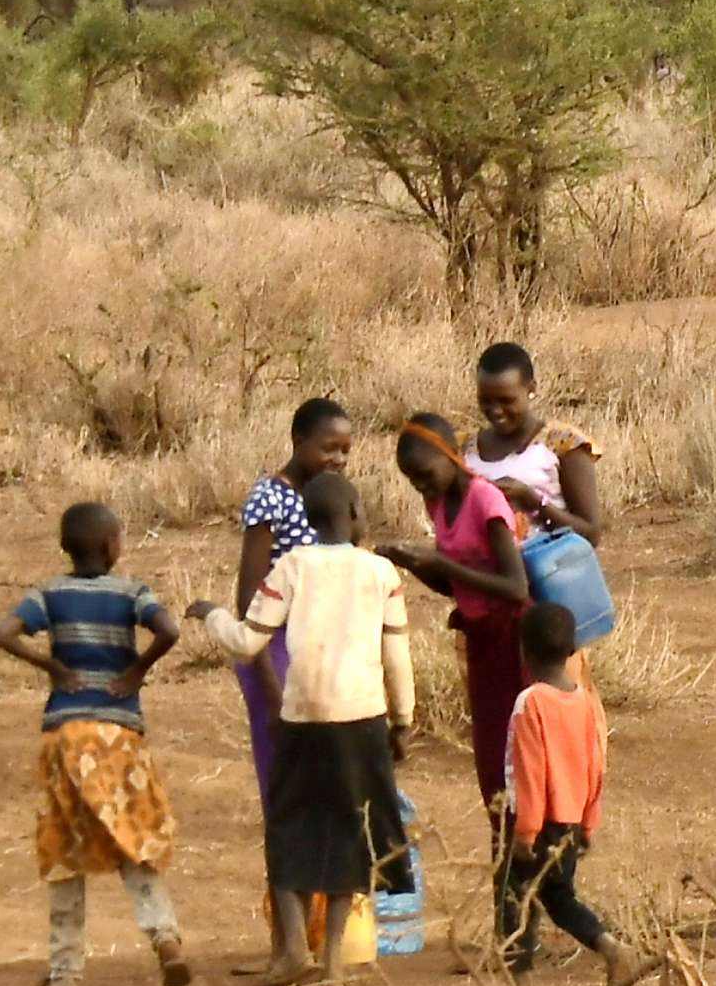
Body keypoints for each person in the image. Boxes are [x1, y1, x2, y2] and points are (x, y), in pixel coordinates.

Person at [191, 472, 413, 986]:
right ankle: (333, 962)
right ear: (356, 512)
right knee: (351, 837)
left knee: (289, 833)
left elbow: (249, 642)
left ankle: (293, 949)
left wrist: (213, 616)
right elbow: (396, 655)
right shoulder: (381, 573)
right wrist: (403, 721)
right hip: (361, 720)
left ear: (310, 521)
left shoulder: (291, 567)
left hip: (303, 720)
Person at [0, 502, 188, 986]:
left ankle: (65, 970)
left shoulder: (50, 594)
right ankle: (164, 937)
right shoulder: (131, 593)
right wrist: (137, 671)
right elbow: (170, 630)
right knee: (133, 837)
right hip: (118, 736)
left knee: (62, 849)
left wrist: (52, 669)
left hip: (65, 733)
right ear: (111, 546)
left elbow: (3, 634)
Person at [381, 414, 531, 818]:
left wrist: (439, 563)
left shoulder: (484, 499)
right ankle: (505, 845)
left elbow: (516, 587)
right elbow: (457, 589)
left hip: (512, 637)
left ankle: (525, 843)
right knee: (489, 752)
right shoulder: (440, 503)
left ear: (452, 456)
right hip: (480, 637)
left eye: (426, 475)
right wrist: (413, 564)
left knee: (514, 750)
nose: (422, 487)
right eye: (413, 481)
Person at [501, 602, 655, 986]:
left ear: (524, 651)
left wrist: (525, 833)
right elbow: (594, 766)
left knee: (514, 899)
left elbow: (530, 774)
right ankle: (609, 946)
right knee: (560, 899)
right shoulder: (584, 703)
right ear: (573, 651)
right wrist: (589, 822)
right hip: (570, 822)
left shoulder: (530, 703)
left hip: (538, 825)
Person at [231, 397, 355, 802]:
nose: (338, 458)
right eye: (328, 448)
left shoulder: (334, 498)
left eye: (345, 451)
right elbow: (249, 596)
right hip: (275, 644)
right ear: (298, 441)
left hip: (319, 644)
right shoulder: (271, 498)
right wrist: (267, 676)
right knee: (283, 769)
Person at [466, 342, 606, 545]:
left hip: (550, 572)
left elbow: (591, 534)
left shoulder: (563, 443)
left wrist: (533, 500)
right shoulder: (466, 450)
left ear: (531, 389)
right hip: (487, 575)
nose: (496, 411)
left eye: (506, 400)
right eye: (485, 401)